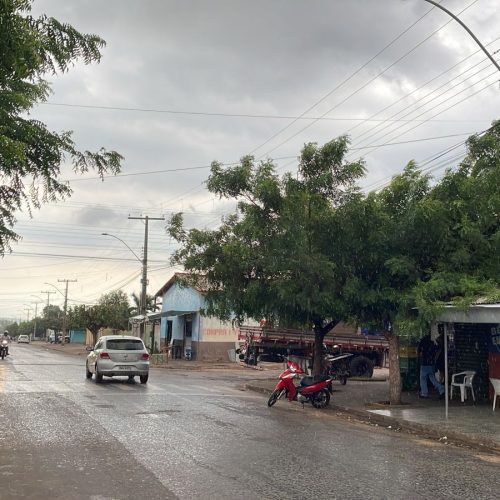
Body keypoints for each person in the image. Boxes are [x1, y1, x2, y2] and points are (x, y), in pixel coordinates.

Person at [418, 333, 444, 399]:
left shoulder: (422, 343)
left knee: (423, 378)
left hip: (424, 364)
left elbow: (419, 352)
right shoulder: (432, 344)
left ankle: (424, 393)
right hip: (431, 364)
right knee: (432, 378)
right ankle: (441, 389)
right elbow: (437, 349)